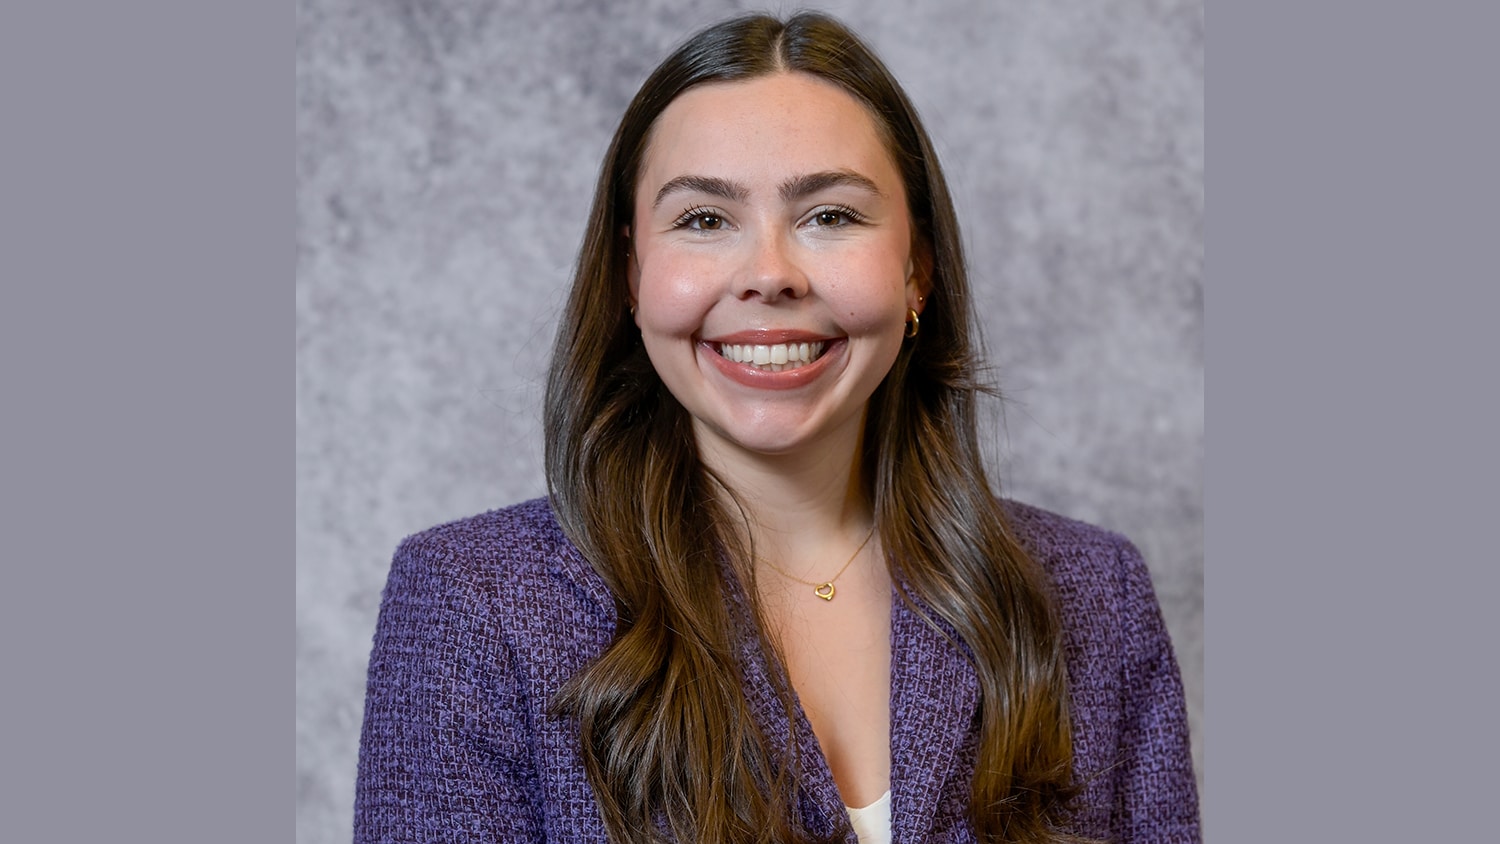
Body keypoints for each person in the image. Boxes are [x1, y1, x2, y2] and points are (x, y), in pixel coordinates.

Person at [354, 11, 1199, 844]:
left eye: (830, 215)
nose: (768, 275)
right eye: (704, 219)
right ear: (630, 277)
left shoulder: (1094, 594)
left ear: (917, 273)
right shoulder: (476, 605)